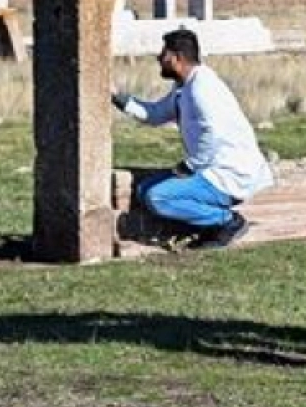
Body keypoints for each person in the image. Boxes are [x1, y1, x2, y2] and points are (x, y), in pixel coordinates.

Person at [112, 29, 273, 248]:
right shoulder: (185, 86)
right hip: (210, 169)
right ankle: (200, 225)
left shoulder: (202, 89)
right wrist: (118, 98)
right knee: (143, 189)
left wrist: (188, 167)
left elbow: (213, 135)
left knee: (158, 197)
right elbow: (156, 114)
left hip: (227, 175)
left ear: (177, 58)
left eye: (164, 54)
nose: (159, 58)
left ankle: (226, 222)